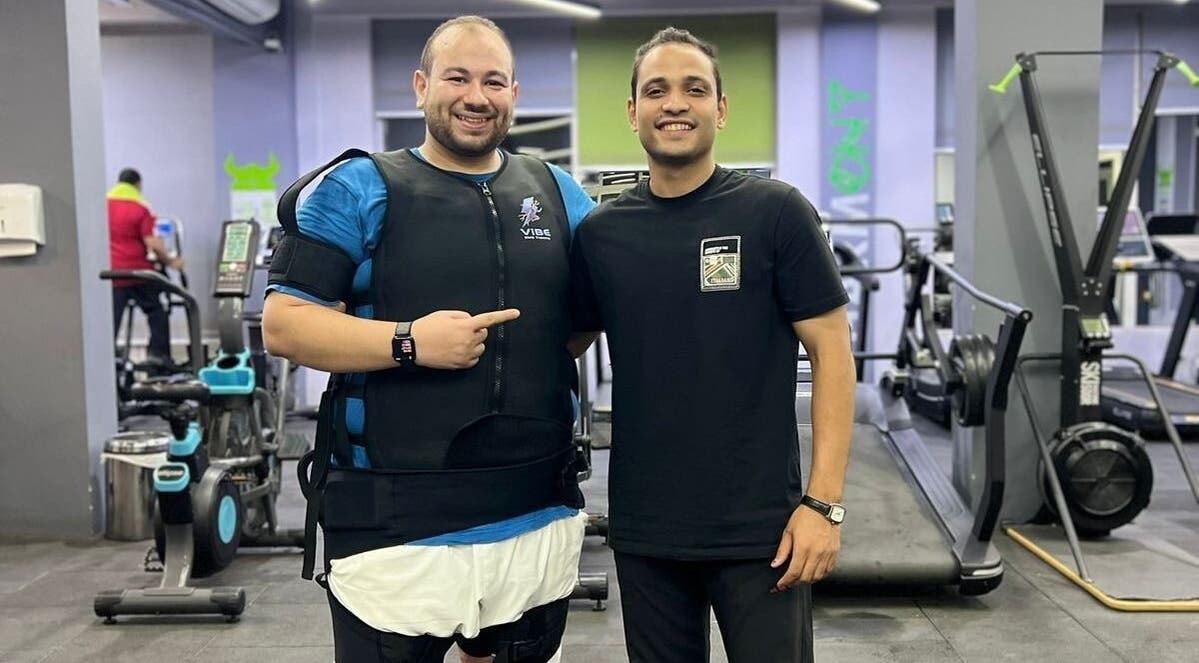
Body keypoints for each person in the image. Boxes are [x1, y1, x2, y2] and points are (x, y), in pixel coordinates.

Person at [262, 15, 595, 663]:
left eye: (493, 81)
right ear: (420, 87)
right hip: (396, 523)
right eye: (457, 77)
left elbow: (579, 320)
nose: (476, 95)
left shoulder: (559, 194)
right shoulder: (356, 187)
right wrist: (410, 342)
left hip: (535, 506)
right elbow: (285, 323)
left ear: (514, 95)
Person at [568, 27, 856, 663]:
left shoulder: (776, 212)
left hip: (765, 532)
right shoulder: (602, 234)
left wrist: (824, 505)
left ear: (720, 109)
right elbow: (560, 346)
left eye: (694, 89)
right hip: (647, 531)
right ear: (633, 111)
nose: (675, 104)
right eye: (657, 90)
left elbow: (833, 354)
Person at [107, 167, 183, 365]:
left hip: (112, 275)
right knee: (157, 311)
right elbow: (153, 243)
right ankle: (158, 356)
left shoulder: (103, 204)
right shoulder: (141, 207)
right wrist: (171, 262)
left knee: (111, 319)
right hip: (139, 273)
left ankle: (106, 358)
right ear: (138, 184)